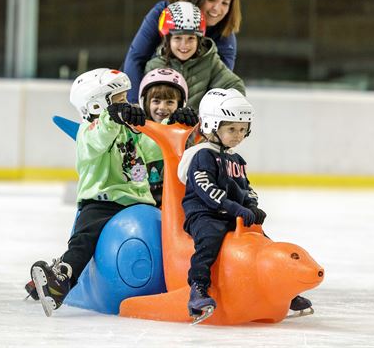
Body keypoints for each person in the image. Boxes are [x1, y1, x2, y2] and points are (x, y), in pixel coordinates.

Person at [177, 88, 312, 320]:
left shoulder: (236, 159)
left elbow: (246, 187)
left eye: (242, 129)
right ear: (210, 125)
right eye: (231, 129)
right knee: (209, 243)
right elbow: (207, 190)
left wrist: (251, 205)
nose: (238, 135)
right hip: (205, 214)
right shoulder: (202, 156)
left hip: (232, 214)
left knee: (264, 243)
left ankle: (282, 290)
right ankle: (198, 290)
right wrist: (234, 207)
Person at [29, 68, 155, 317]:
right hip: (102, 202)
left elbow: (155, 149)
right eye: (119, 99)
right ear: (97, 105)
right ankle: (61, 281)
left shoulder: (130, 130)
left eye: (126, 98)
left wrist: (184, 129)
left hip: (140, 204)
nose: (126, 104)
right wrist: (113, 117)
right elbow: (100, 138)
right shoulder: (88, 133)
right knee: (83, 240)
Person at [123, 0, 242, 103]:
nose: (217, 9)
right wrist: (134, 106)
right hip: (148, 98)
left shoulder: (224, 33)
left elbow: (222, 84)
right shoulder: (164, 13)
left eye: (225, 3)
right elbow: (136, 58)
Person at [144, 1, 246, 111]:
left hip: (198, 126)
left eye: (191, 38)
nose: (184, 45)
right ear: (168, 40)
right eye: (177, 38)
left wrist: (215, 110)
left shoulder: (209, 62)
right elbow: (147, 106)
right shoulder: (154, 66)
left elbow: (235, 86)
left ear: (199, 39)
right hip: (164, 127)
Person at [138, 68, 198, 206]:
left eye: (170, 102)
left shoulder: (187, 131)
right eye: (156, 101)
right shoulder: (137, 131)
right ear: (146, 103)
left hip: (176, 202)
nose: (162, 107)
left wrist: (186, 128)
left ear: (180, 104)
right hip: (143, 201)